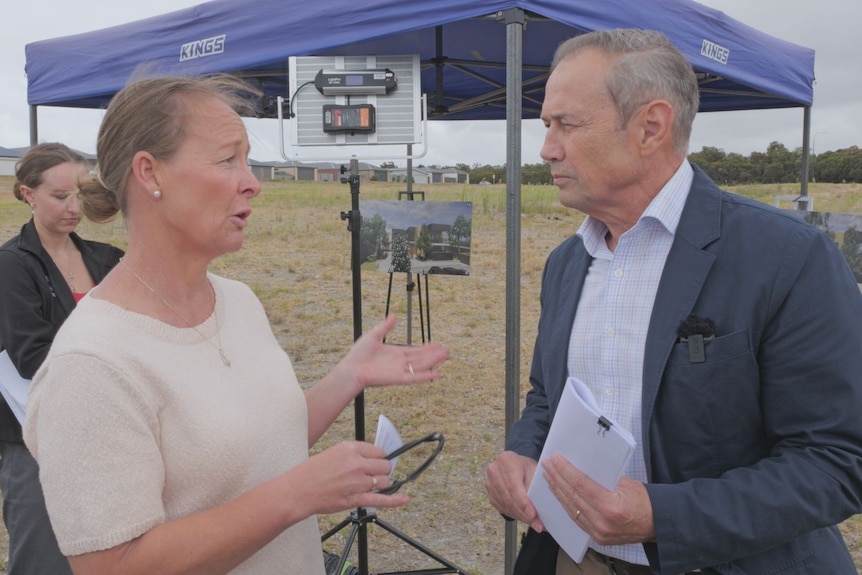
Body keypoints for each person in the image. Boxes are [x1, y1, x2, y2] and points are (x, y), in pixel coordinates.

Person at [22, 74, 449, 575]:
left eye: (247, 160)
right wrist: (295, 495)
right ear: (150, 173)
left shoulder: (238, 301)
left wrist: (347, 375)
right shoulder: (91, 364)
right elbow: (113, 565)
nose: (253, 182)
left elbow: (259, 448)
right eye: (228, 160)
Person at [484, 28, 862, 575]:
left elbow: (836, 461)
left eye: (567, 124)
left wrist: (664, 516)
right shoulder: (568, 262)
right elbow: (549, 396)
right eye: (547, 125)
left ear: (651, 127)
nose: (547, 148)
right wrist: (524, 453)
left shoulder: (788, 257)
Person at [0, 142, 124, 574]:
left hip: (106, 431)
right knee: (44, 561)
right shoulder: (12, 265)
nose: (73, 207)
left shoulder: (108, 260)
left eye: (79, 194)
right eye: (59, 196)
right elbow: (33, 356)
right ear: (27, 194)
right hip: (39, 441)